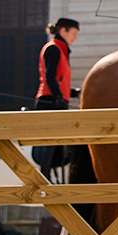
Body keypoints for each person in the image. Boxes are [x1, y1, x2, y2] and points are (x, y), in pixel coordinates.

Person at [31, 17, 81, 176]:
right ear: (62, 31)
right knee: (49, 141)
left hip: (57, 101)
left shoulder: (62, 50)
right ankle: (44, 176)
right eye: (73, 33)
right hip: (49, 101)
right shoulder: (52, 48)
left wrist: (74, 92)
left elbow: (60, 80)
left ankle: (51, 176)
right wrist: (58, 96)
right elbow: (49, 77)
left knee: (57, 142)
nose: (75, 37)